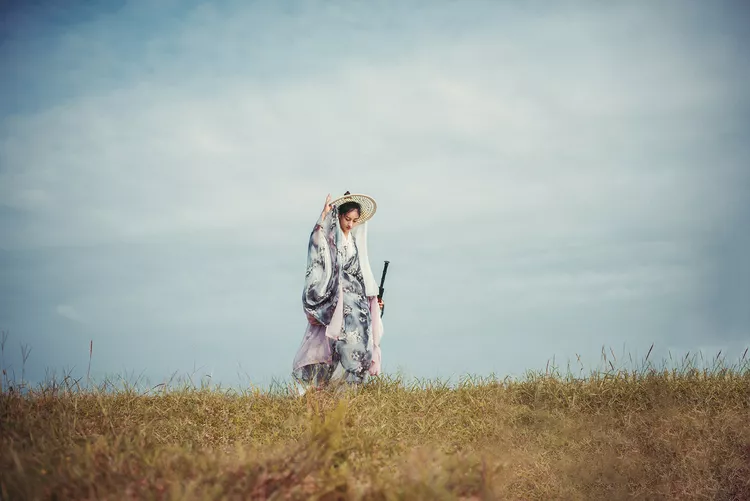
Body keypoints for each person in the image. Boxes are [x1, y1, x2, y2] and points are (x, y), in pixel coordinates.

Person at [292, 191, 385, 392]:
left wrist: (372, 301)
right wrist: (323, 216)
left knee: (360, 344)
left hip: (357, 303)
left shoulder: (354, 241)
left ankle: (350, 392)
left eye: (354, 220)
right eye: (347, 219)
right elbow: (318, 244)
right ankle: (322, 390)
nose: (350, 224)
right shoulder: (332, 239)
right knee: (336, 344)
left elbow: (362, 274)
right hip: (339, 299)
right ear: (340, 216)